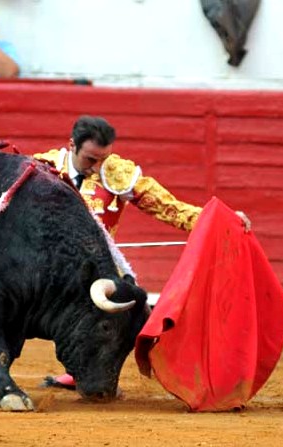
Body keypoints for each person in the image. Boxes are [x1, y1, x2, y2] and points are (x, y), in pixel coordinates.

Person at [34, 115, 251, 390]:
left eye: (103, 159)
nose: (97, 167)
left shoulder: (116, 173)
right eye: (90, 159)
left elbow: (165, 206)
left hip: (99, 268)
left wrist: (220, 220)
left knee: (129, 317)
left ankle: (91, 372)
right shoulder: (44, 169)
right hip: (46, 265)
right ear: (72, 145)